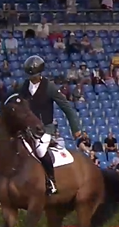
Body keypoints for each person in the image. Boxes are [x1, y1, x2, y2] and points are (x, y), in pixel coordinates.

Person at [18, 55, 82, 195]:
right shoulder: (24, 86)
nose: (32, 78)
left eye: (34, 75)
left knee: (40, 151)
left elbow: (66, 107)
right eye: (30, 76)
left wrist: (75, 129)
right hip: (28, 128)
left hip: (45, 128)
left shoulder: (50, 87)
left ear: (40, 74)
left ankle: (51, 181)